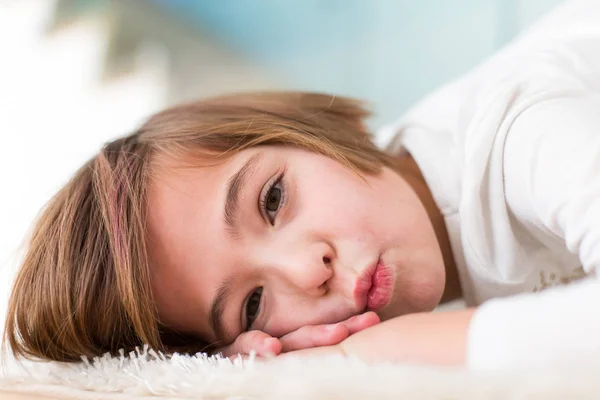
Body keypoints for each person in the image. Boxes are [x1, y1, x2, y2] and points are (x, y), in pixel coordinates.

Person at [4, 0, 600, 370]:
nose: (305, 270)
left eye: (272, 199)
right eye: (254, 305)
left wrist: (364, 353)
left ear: (308, 132)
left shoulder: (522, 129)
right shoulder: (384, 207)